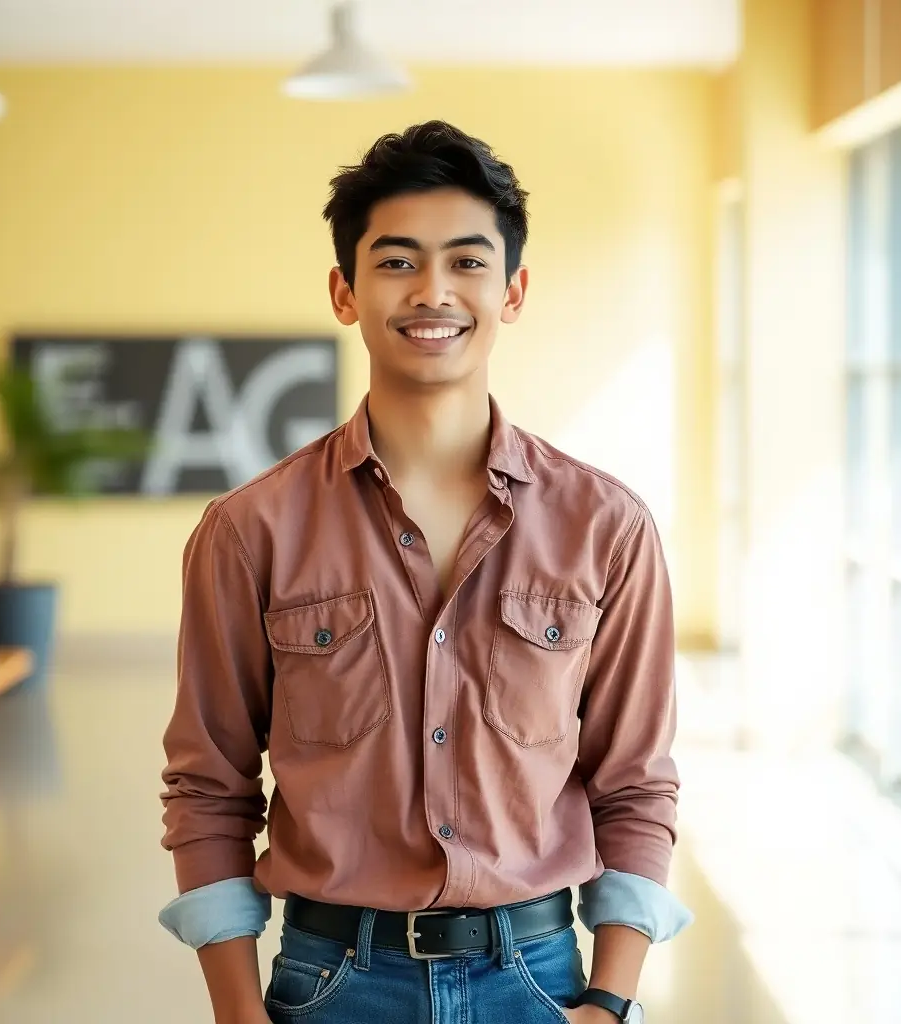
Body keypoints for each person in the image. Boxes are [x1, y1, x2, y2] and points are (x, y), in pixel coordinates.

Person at [158, 121, 692, 1024]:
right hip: (332, 984)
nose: (433, 291)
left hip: (538, 980)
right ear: (345, 291)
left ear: (513, 290)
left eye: (467, 262)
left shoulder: (607, 527)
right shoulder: (249, 531)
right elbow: (210, 786)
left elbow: (635, 781)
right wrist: (239, 1016)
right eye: (397, 262)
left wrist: (610, 1002)